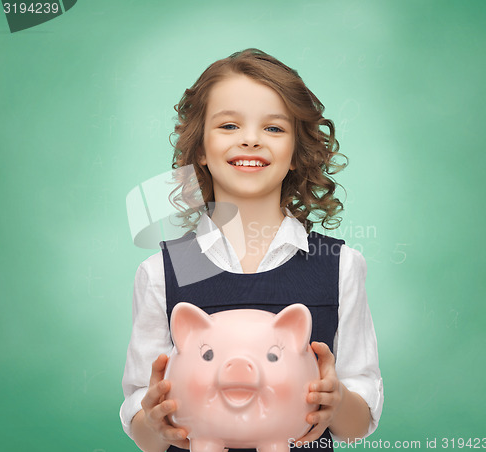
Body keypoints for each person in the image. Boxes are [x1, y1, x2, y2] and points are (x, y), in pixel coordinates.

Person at [120, 48, 383, 452]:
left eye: (274, 129)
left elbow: (359, 423)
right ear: (201, 150)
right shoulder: (162, 272)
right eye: (228, 125)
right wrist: (154, 422)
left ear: (296, 153)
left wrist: (337, 402)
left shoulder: (339, 266)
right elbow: (143, 428)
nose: (251, 139)